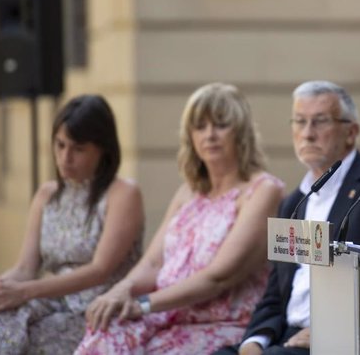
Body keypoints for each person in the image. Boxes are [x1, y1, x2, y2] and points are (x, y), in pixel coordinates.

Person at [215, 80, 360, 355]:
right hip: (286, 340)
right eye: (299, 122)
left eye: (320, 122)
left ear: (351, 132)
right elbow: (276, 293)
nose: (307, 134)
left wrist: (337, 333)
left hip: (349, 344)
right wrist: (254, 341)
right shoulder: (294, 203)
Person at [74, 83, 285, 354]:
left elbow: (218, 277)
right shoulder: (189, 192)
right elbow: (152, 262)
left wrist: (144, 304)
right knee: (104, 332)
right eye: (200, 126)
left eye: (220, 125)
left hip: (220, 325)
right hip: (165, 315)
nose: (209, 135)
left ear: (240, 133)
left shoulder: (264, 190)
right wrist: (122, 290)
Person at [0, 94, 144, 355]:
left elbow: (100, 270)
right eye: (60, 145)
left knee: (37, 336)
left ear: (103, 149)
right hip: (51, 301)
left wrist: (24, 292)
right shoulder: (46, 194)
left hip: (99, 310)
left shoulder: (123, 193)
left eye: (78, 149)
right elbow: (26, 267)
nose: (65, 157)